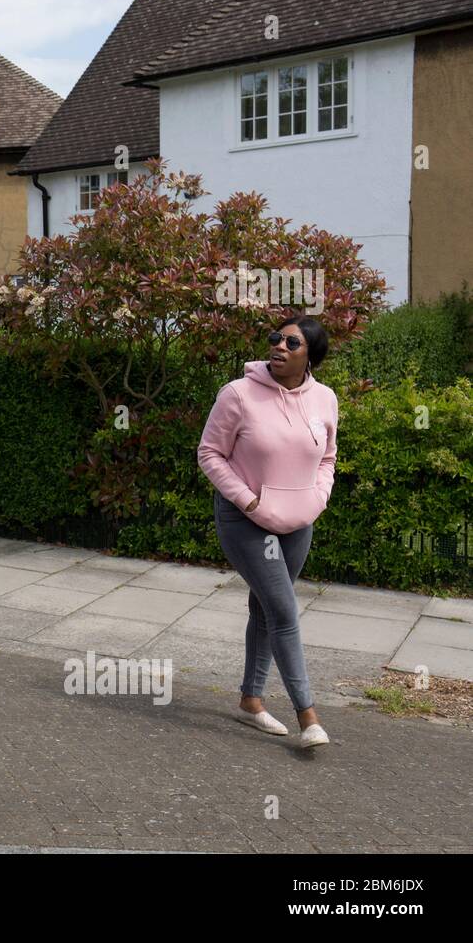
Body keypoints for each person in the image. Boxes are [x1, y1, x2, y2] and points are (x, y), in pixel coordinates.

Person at [198, 315, 338, 749]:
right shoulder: (237, 394)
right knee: (283, 611)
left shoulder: (325, 399)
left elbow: (328, 457)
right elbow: (209, 453)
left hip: (299, 521)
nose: (277, 346)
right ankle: (308, 715)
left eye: (290, 343)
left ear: (310, 356)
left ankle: (250, 700)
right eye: (275, 338)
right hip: (246, 521)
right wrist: (248, 500)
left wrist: (318, 498)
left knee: (264, 609)